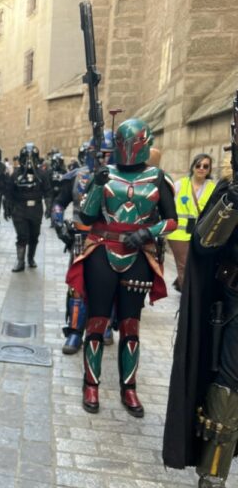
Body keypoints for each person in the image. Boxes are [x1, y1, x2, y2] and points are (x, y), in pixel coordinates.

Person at [66, 118, 176, 417]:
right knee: (96, 321)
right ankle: (91, 385)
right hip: (102, 251)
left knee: (130, 324)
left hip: (137, 254)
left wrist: (148, 232)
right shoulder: (106, 174)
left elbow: (172, 220)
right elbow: (87, 218)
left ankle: (129, 388)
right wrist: (97, 185)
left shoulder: (158, 177)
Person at [163, 154, 238, 488]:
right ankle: (213, 477)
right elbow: (205, 243)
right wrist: (232, 203)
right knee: (230, 384)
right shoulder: (228, 192)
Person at [52, 132, 114, 354]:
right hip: (82, 237)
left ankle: (105, 326)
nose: (102, 158)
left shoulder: (122, 178)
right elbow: (59, 203)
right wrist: (59, 224)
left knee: (109, 286)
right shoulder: (77, 176)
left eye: (106, 153)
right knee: (77, 287)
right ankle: (75, 332)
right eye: (98, 153)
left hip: (111, 240)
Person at [167, 153, 216, 292]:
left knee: (195, 265)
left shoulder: (213, 188)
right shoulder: (180, 184)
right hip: (178, 233)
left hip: (200, 234)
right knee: (183, 265)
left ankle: (184, 287)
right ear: (193, 167)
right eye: (198, 165)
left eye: (205, 166)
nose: (201, 168)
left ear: (209, 169)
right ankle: (187, 297)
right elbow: (168, 206)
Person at [6, 142, 49, 272]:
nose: (29, 162)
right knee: (22, 235)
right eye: (26, 158)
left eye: (32, 158)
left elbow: (48, 192)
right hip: (20, 209)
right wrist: (7, 207)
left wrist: (49, 207)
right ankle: (20, 261)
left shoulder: (42, 174)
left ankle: (31, 258)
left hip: (36, 209)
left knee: (34, 235)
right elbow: (9, 192)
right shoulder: (16, 174)